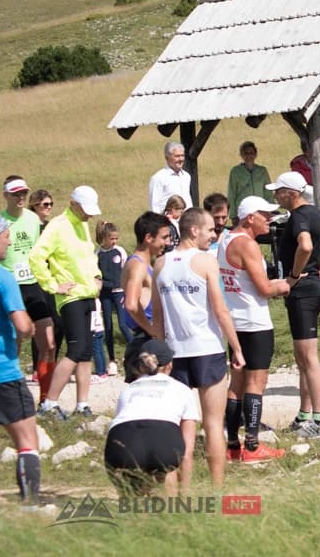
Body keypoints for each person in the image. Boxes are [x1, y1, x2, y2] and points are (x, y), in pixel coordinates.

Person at [150, 208, 244, 487]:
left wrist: (160, 351)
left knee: (182, 425)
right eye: (210, 230)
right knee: (213, 423)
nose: (213, 235)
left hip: (175, 351)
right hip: (207, 348)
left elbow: (158, 315)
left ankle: (183, 488)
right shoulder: (205, 261)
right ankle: (216, 488)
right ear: (194, 230)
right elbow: (220, 310)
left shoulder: (161, 263)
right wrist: (237, 348)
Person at [219, 196, 291, 463]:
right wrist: (283, 285)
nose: (269, 219)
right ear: (250, 217)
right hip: (254, 320)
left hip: (234, 318)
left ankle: (232, 444)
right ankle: (251, 445)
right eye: (265, 215)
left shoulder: (225, 240)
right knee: (256, 382)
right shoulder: (247, 245)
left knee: (236, 382)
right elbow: (263, 288)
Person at [267, 171, 320, 439]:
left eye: (279, 191)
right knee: (301, 357)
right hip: (312, 288)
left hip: (302, 293)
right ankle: (304, 414)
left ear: (292, 194)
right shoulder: (315, 213)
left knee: (308, 358)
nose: (275, 195)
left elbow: (306, 245)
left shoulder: (299, 217)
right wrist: (319, 272)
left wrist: (295, 276)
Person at [30, 186, 104, 419]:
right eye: (85, 210)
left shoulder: (82, 224)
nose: (89, 215)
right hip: (70, 297)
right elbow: (36, 257)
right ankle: (48, 404)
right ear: (73, 203)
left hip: (88, 294)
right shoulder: (57, 226)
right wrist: (52, 285)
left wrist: (98, 278)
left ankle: (82, 405)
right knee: (75, 349)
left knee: (86, 352)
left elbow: (88, 256)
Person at [104, 339, 198, 496]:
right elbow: (187, 453)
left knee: (133, 497)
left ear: (141, 366)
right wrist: (186, 492)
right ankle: (174, 509)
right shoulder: (182, 389)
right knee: (168, 465)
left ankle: (132, 510)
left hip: (120, 445)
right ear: (170, 365)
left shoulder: (129, 390)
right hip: (162, 439)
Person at [0, 217, 41, 506]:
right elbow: (23, 325)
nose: (10, 242)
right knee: (27, 440)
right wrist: (29, 331)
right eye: (5, 236)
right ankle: (30, 504)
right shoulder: (3, 277)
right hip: (3, 372)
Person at [3, 177, 55, 399]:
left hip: (33, 285)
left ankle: (46, 399)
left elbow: (38, 251)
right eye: (15, 194)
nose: (20, 197)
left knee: (49, 343)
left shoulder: (34, 220)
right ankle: (9, 395)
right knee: (13, 344)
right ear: (6, 196)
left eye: (23, 193)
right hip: (9, 287)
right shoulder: (0, 221)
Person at [120, 212, 174, 382]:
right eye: (164, 237)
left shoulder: (142, 264)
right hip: (144, 340)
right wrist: (152, 330)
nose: (167, 242)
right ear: (149, 238)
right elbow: (131, 304)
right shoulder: (138, 266)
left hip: (146, 338)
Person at [95, 221, 127, 375]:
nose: (115, 241)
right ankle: (112, 360)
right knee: (108, 326)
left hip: (119, 291)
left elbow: (126, 270)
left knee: (122, 324)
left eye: (116, 238)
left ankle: (136, 350)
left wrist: (126, 291)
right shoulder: (98, 254)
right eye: (112, 238)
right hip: (105, 294)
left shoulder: (119, 251)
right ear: (104, 238)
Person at [226, 141, 273, 218]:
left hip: (260, 210)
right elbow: (231, 194)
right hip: (243, 211)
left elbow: (268, 192)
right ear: (241, 155)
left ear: (255, 154)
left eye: (251, 153)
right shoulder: (235, 171)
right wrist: (233, 215)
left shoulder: (262, 171)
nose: (249, 156)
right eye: (246, 153)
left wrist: (271, 210)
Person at [148, 142, 192, 214]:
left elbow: (188, 200)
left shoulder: (186, 176)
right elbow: (154, 206)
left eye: (182, 155)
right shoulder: (158, 178)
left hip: (186, 220)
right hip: (167, 221)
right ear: (167, 158)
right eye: (177, 156)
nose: (181, 159)